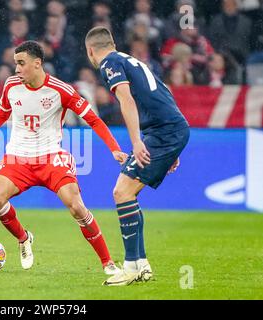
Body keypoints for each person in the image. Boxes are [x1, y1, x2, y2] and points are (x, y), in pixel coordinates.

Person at [0, 40, 128, 274]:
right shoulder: (11, 85)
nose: (16, 69)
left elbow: (94, 119)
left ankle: (108, 263)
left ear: (37, 64)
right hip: (17, 157)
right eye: (15, 63)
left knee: (76, 207)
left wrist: (114, 148)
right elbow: (1, 114)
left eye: (21, 63)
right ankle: (24, 238)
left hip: (51, 158)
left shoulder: (61, 90)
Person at [85, 27, 190, 286]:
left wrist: (136, 141)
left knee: (122, 192)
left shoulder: (109, 63)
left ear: (90, 51)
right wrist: (172, 143)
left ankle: (131, 266)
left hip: (163, 133)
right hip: (168, 130)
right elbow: (163, 91)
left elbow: (126, 100)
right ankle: (141, 265)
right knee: (127, 192)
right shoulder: (130, 60)